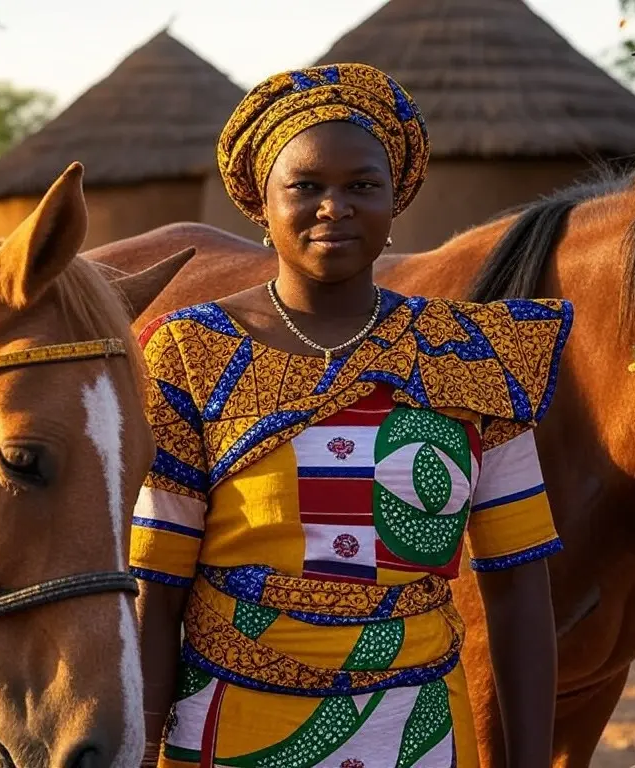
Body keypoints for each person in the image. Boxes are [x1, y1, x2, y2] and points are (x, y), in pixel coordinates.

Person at [130, 62, 572, 768]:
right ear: (261, 203)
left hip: (420, 734)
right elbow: (158, 588)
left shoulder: (471, 356)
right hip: (229, 731)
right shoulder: (192, 352)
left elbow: (519, 588)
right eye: (305, 186)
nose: (334, 207)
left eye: (362, 185)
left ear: (395, 200)